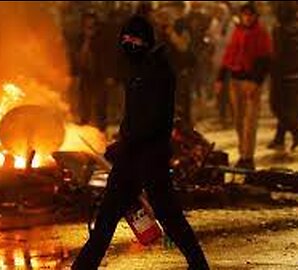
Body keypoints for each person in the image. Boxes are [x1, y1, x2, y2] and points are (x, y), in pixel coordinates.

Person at [72, 15, 209, 270]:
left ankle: (199, 265)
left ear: (145, 40)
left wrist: (126, 142)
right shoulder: (135, 68)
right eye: (125, 38)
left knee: (169, 216)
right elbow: (133, 116)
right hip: (129, 159)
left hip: (151, 158)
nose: (128, 43)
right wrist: (122, 142)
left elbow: (154, 119)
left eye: (133, 39)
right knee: (106, 219)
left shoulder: (158, 70)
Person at [216, 3, 272, 170]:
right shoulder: (237, 32)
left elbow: (265, 59)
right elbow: (228, 56)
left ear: (255, 16)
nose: (247, 18)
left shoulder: (261, 33)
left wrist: (256, 82)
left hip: (250, 82)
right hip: (235, 81)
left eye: (250, 15)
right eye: (244, 15)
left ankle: (248, 157)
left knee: (250, 121)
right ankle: (242, 153)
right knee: (239, 120)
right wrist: (220, 79)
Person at [268, 2, 298, 151]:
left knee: (277, 106)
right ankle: (279, 139)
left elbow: (277, 54)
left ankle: (297, 133)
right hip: (296, 73)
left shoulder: (280, 30)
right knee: (286, 107)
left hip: (282, 73)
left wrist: (271, 70)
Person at [71, 12, 107, 131]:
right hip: (85, 76)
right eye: (87, 26)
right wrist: (86, 41)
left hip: (99, 76)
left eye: (92, 26)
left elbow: (105, 57)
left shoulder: (101, 39)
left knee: (100, 105)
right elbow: (79, 58)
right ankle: (84, 129)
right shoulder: (80, 39)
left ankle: (101, 131)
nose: (89, 29)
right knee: (84, 104)